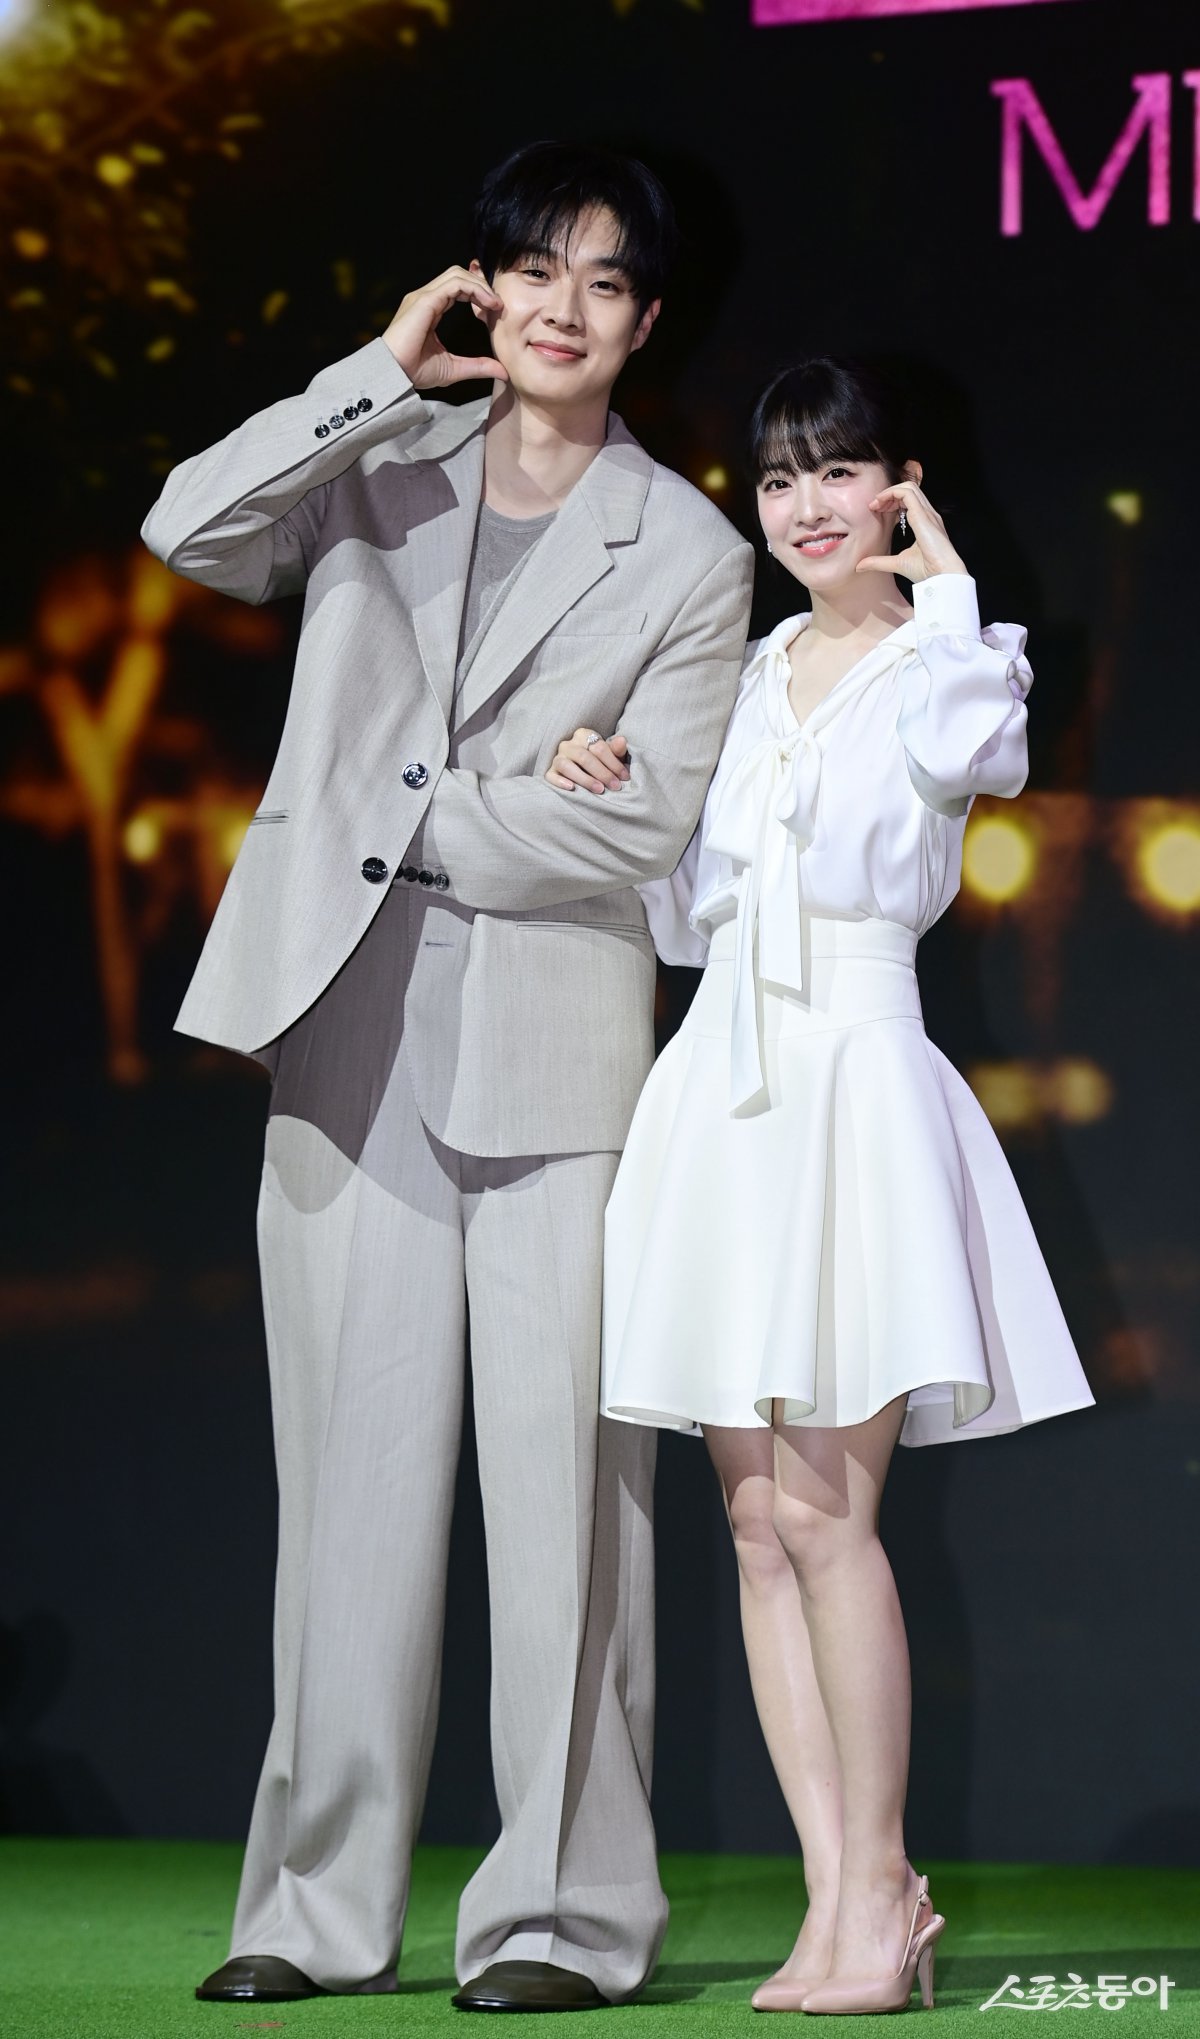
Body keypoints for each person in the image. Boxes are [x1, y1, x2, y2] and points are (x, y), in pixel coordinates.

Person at [141, 141, 754, 2010]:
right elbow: (186, 531)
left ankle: (565, 1917)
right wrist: (368, 377)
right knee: (343, 1497)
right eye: (529, 267)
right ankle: (314, 1909)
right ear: (479, 285)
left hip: (560, 1065)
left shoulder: (697, 553)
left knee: (573, 1510)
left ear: (649, 320)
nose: (559, 306)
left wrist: (408, 814)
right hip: (342, 1038)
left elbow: (639, 836)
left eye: (603, 279)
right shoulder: (376, 467)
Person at [547, 358, 1095, 2017]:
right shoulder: (753, 662)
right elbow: (685, 912)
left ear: (899, 486)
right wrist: (615, 792)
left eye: (837, 472)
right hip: (720, 1083)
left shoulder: (949, 659)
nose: (803, 506)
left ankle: (880, 1895)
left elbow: (983, 759)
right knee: (757, 1518)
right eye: (781, 479)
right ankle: (842, 1901)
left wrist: (944, 590)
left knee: (833, 1512)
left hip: (854, 1077)